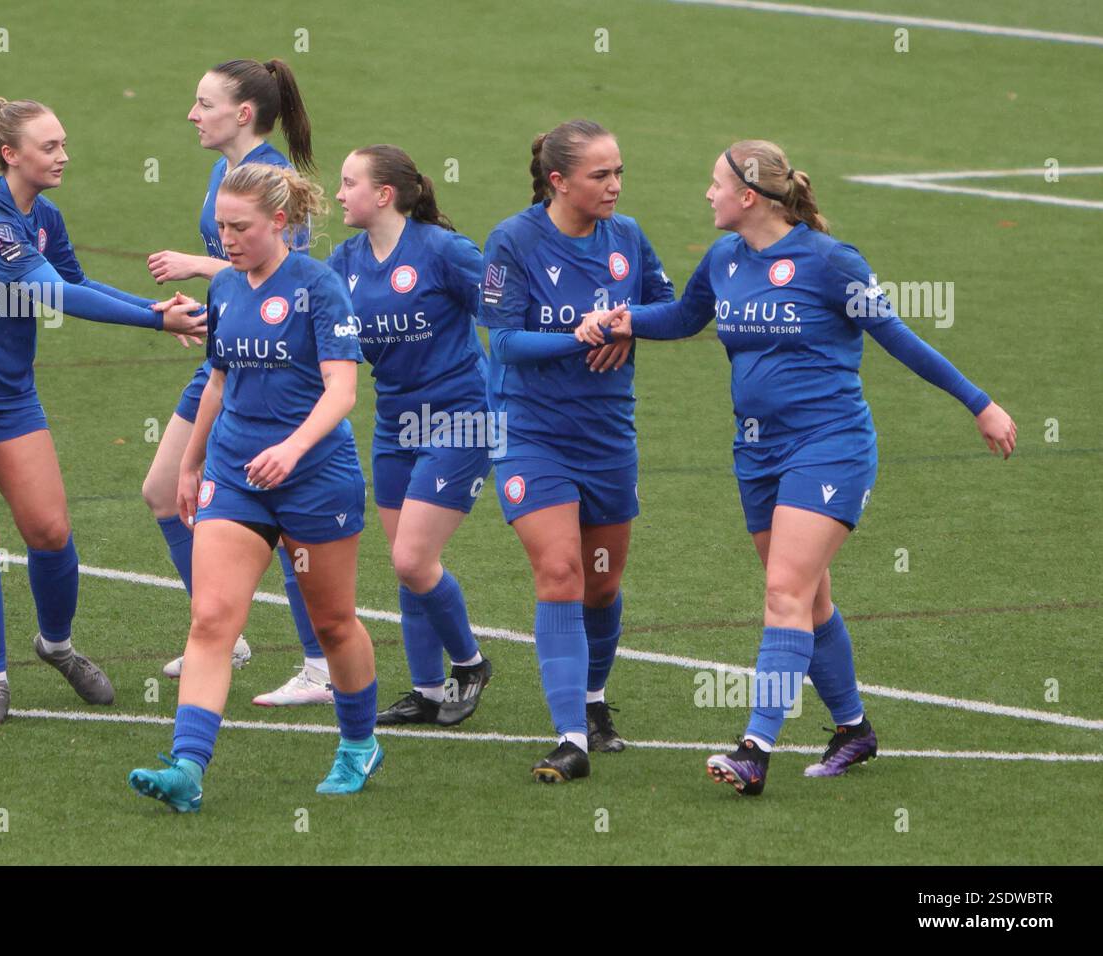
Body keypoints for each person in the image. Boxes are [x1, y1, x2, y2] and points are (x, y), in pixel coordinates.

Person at [577, 139, 1017, 795]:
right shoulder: (725, 259)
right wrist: (623, 321)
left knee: (784, 590)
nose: (707, 194)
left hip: (830, 446)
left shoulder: (829, 263)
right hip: (756, 451)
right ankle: (853, 728)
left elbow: (899, 337)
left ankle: (754, 748)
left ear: (748, 196)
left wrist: (979, 404)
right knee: (809, 600)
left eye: (715, 184)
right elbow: (683, 316)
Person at [0, 97, 206, 726]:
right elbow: (50, 293)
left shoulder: (44, 217)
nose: (63, 155)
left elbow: (75, 281)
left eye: (63, 143)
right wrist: (153, 319)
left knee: (50, 532)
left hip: (7, 395)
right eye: (50, 147)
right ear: (11, 155)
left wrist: (156, 307)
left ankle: (56, 646)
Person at [128, 162, 381, 808]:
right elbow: (219, 379)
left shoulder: (320, 289)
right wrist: (190, 462)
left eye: (239, 227)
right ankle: (187, 766)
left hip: (314, 480)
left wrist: (293, 448)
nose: (228, 239)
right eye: (220, 227)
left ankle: (358, 744)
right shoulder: (226, 289)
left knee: (333, 623)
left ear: (280, 222)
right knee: (211, 618)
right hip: (236, 477)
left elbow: (342, 391)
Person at [476, 120, 675, 783]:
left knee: (603, 582)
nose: (615, 185)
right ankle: (570, 738)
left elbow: (670, 309)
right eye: (601, 175)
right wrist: (580, 336)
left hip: (608, 435)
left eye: (619, 172)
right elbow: (502, 342)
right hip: (532, 434)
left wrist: (633, 325)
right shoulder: (514, 240)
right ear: (559, 181)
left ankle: (593, 702)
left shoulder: (629, 239)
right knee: (560, 573)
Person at [142, 58, 332, 707]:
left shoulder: (275, 183)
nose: (192, 115)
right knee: (164, 490)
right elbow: (245, 283)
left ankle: (320, 666)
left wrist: (199, 267)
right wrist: (209, 315)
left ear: (243, 113)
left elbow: (297, 277)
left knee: (280, 520)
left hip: (275, 377)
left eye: (204, 103)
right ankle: (223, 631)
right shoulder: (223, 172)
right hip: (228, 361)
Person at [327, 145, 493, 727]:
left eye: (349, 183)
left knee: (412, 558)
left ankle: (469, 664)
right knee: (408, 564)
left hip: (462, 417)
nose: (339, 193)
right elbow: (290, 297)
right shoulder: (344, 261)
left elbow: (505, 311)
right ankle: (427, 692)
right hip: (396, 423)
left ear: (384, 195)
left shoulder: (443, 251)